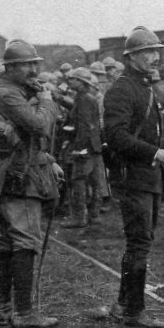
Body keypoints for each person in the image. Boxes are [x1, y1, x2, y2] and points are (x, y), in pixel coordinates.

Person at [99, 27, 164, 328]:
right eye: (147, 52)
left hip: (148, 175)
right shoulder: (123, 89)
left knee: (141, 242)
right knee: (139, 244)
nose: (155, 57)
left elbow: (152, 134)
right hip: (132, 176)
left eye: (157, 51)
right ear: (131, 57)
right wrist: (156, 154)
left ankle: (123, 304)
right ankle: (134, 311)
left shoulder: (144, 87)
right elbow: (116, 136)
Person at [0, 40, 64, 328]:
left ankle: (5, 308)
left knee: (9, 240)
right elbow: (39, 125)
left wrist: (48, 158)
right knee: (25, 239)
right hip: (19, 176)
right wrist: (48, 101)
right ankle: (24, 313)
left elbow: (31, 139)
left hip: (18, 170)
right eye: (27, 64)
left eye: (36, 63)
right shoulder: (7, 95)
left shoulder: (14, 91)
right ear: (10, 67)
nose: (34, 69)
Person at [60, 67, 104, 229]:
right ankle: (94, 215)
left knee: (78, 180)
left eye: (73, 79)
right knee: (95, 181)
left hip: (84, 147)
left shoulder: (84, 99)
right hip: (93, 146)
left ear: (81, 82)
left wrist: (78, 147)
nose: (69, 81)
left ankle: (79, 218)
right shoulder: (85, 98)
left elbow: (85, 125)